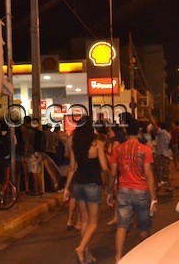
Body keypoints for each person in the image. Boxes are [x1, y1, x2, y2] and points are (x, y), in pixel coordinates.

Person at [106, 113, 157, 263]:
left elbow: (113, 173)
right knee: (144, 227)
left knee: (122, 225)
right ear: (138, 131)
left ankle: (118, 257)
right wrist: (153, 198)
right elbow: (148, 174)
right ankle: (143, 255)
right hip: (142, 191)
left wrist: (109, 192)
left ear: (125, 131)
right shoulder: (145, 150)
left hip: (123, 191)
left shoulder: (118, 149)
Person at [63, 116, 108, 264]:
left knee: (84, 221)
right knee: (93, 222)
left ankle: (87, 255)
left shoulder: (75, 144)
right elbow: (104, 167)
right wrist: (108, 182)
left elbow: (72, 168)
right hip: (93, 184)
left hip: (78, 183)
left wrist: (67, 188)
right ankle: (81, 248)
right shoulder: (97, 143)